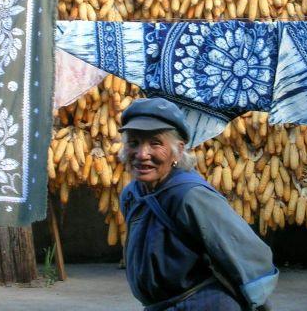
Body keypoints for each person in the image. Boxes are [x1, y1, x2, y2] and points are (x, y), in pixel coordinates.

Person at [119, 97, 278, 311]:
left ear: (178, 149)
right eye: (133, 142)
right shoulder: (132, 194)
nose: (142, 154)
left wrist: (257, 298)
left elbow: (246, 252)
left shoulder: (190, 195)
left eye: (155, 143)